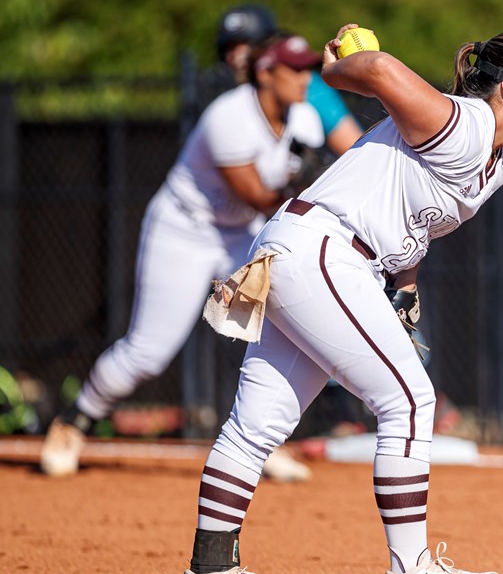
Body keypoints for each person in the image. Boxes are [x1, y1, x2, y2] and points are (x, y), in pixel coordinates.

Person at [173, 24, 503, 574]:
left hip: (318, 252)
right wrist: (333, 73)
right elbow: (381, 70)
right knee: (411, 401)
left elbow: (412, 216)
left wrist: (406, 290)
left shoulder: (499, 160)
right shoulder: (468, 125)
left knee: (258, 421)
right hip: (324, 252)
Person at [39, 33, 327, 478]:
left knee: (272, 332)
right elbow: (255, 195)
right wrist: (303, 182)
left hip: (240, 235)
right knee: (148, 353)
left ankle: (257, 442)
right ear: (265, 72)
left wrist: (310, 182)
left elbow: (282, 194)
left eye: (308, 67)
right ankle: (73, 421)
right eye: (294, 68)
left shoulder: (305, 119)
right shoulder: (229, 116)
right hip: (184, 231)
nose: (306, 77)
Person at [216, 3, 364, 156]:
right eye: (229, 48)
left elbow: (355, 151)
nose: (237, 56)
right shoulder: (225, 100)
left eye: (248, 45)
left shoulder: (305, 87)